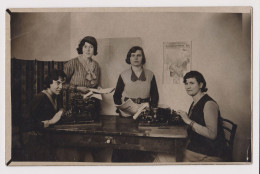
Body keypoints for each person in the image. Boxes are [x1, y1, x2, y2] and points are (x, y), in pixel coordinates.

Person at [112, 46, 159, 162]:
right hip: (127, 114)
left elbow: (155, 96)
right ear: (129, 58)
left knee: (143, 144)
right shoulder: (123, 75)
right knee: (124, 144)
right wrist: (121, 109)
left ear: (143, 58)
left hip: (144, 113)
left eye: (138, 55)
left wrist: (151, 111)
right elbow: (116, 96)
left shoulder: (150, 74)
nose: (136, 58)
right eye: (132, 55)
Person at [176, 71, 227, 162]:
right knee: (175, 153)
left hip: (210, 153)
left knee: (174, 156)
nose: (188, 86)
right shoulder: (196, 102)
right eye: (186, 83)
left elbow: (212, 134)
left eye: (191, 83)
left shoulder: (209, 104)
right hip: (200, 148)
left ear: (200, 85)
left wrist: (189, 121)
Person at [21, 70, 67, 161]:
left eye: (62, 84)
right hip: (34, 142)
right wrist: (50, 122)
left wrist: (61, 111)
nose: (61, 87)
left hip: (44, 139)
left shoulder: (54, 96)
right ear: (49, 82)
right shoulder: (40, 97)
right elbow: (25, 124)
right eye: (58, 83)